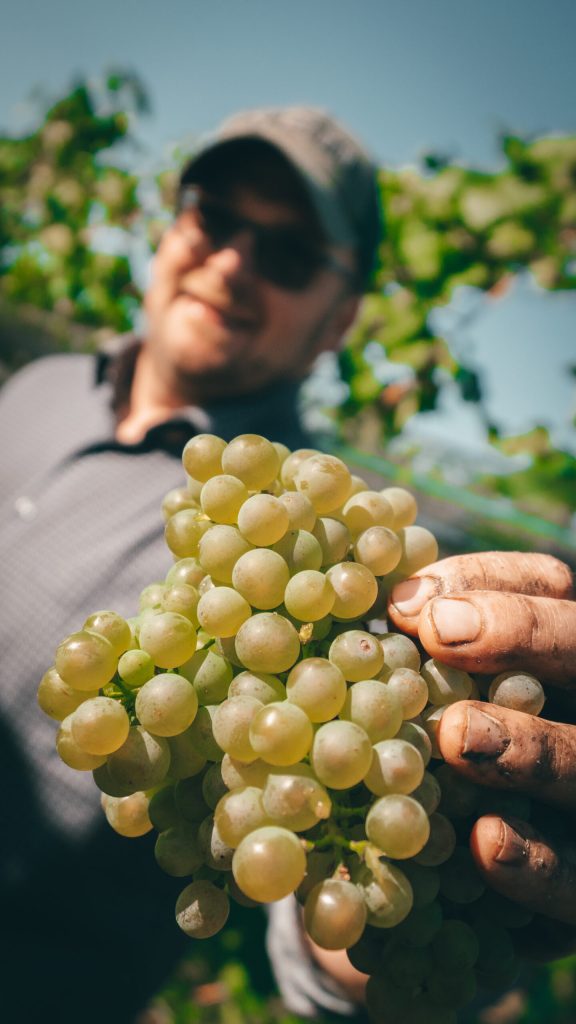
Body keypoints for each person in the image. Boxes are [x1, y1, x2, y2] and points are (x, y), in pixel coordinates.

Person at [0, 104, 574, 1023]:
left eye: (291, 253)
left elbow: (319, 837)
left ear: (340, 318)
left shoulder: (343, 574)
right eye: (215, 216)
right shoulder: (36, 388)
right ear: (174, 225)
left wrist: (373, 934)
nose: (231, 261)